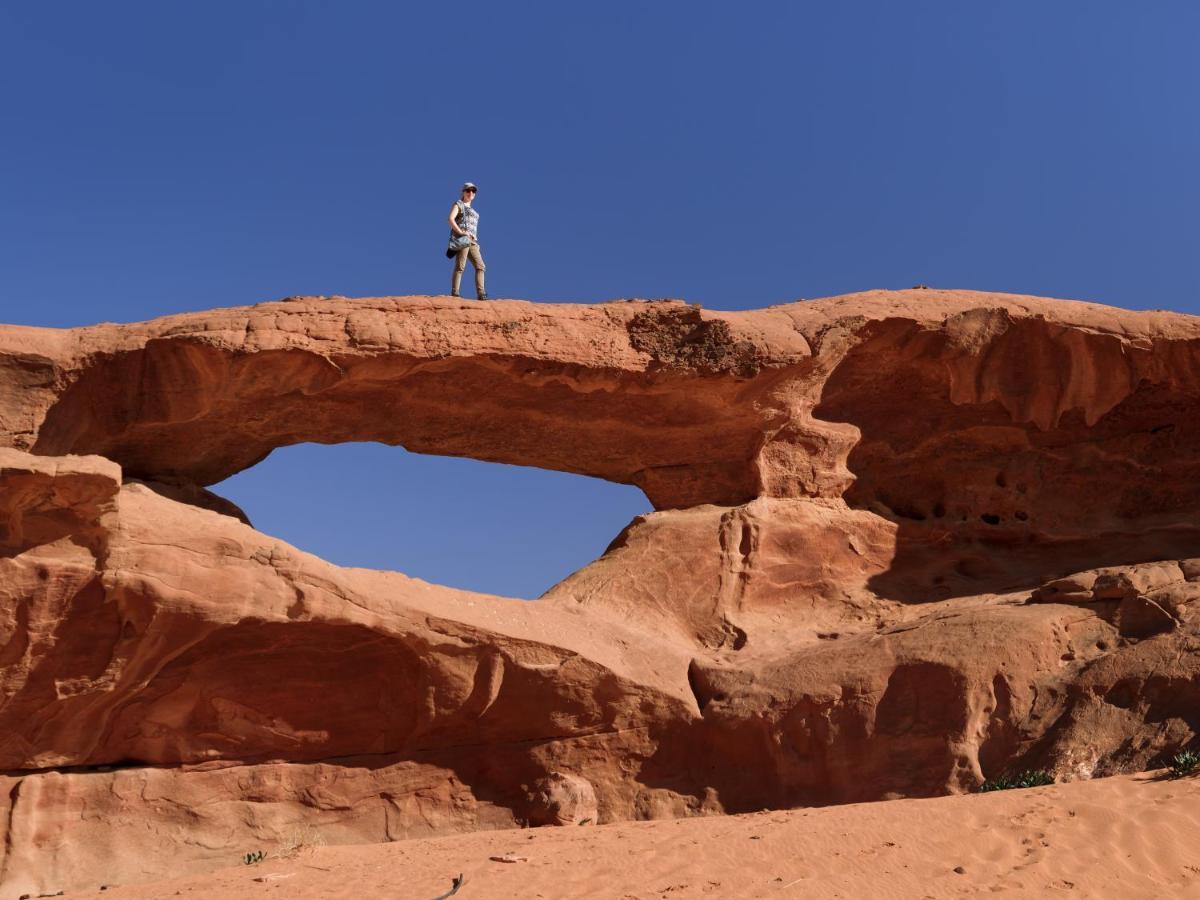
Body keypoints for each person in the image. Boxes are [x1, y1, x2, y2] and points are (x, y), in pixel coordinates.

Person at [448, 182, 487, 300]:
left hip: (473, 241)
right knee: (460, 266)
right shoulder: (459, 204)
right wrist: (460, 232)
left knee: (481, 266)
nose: (471, 193)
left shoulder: (474, 211)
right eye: (468, 190)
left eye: (473, 191)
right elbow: (450, 219)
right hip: (463, 239)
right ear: (463, 192)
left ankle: (481, 293)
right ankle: (455, 292)